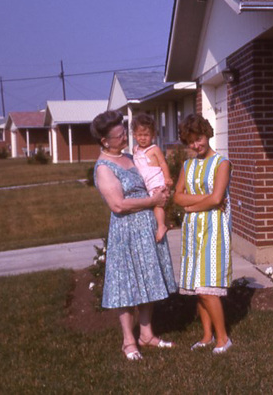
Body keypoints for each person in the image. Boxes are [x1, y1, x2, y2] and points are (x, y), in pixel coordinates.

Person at [90, 110, 178, 361]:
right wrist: (153, 200)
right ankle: (129, 341)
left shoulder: (130, 157)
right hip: (126, 231)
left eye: (123, 132)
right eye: (118, 135)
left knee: (149, 280)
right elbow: (117, 205)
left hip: (147, 227)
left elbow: (153, 176)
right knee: (126, 286)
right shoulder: (104, 167)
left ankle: (147, 335)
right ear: (104, 141)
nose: (124, 138)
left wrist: (161, 189)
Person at [173, 114, 233, 354]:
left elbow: (219, 198)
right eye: (190, 142)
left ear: (207, 134)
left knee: (208, 288)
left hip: (214, 230)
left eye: (198, 139)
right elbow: (177, 196)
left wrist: (192, 205)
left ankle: (223, 339)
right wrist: (202, 201)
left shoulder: (222, 163)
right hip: (192, 231)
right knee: (198, 288)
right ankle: (207, 336)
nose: (196, 145)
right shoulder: (187, 166)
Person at [131, 113, 173, 242]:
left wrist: (167, 178)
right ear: (134, 135)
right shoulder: (135, 149)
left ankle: (161, 226)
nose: (143, 138)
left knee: (158, 204)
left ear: (153, 135)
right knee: (152, 206)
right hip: (146, 183)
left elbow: (163, 163)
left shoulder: (154, 149)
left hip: (156, 180)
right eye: (140, 135)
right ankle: (166, 221)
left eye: (146, 135)